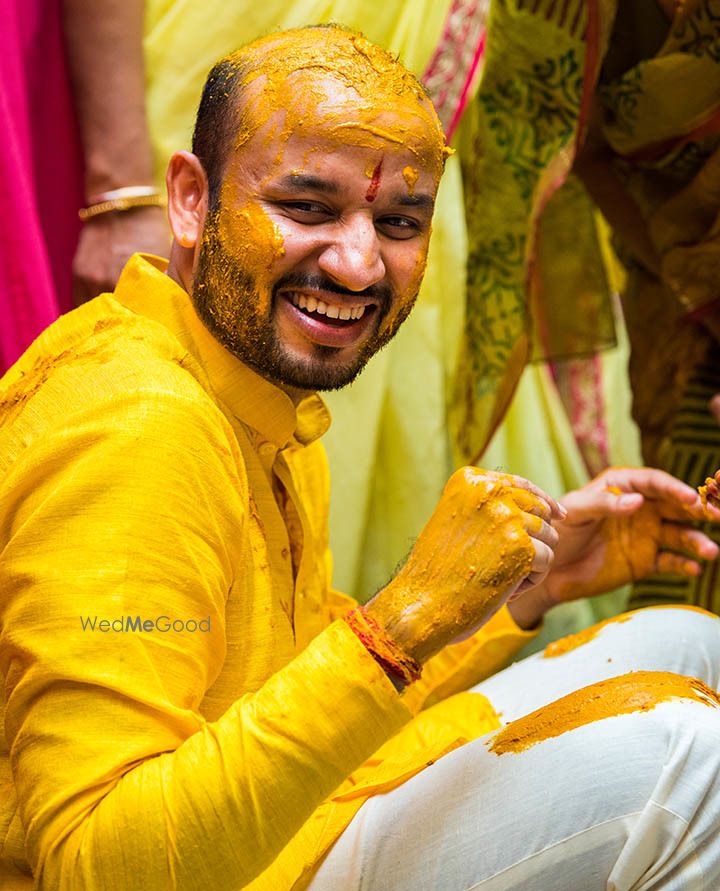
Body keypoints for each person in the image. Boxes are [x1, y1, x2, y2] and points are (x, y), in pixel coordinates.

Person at [2, 24, 720, 891]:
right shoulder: (135, 428)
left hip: (292, 832)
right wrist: (405, 619)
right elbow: (95, 866)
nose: (356, 264)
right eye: (306, 207)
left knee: (686, 641)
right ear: (191, 201)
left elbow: (291, 693)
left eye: (398, 222)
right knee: (691, 759)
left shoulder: (258, 385)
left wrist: (525, 589)